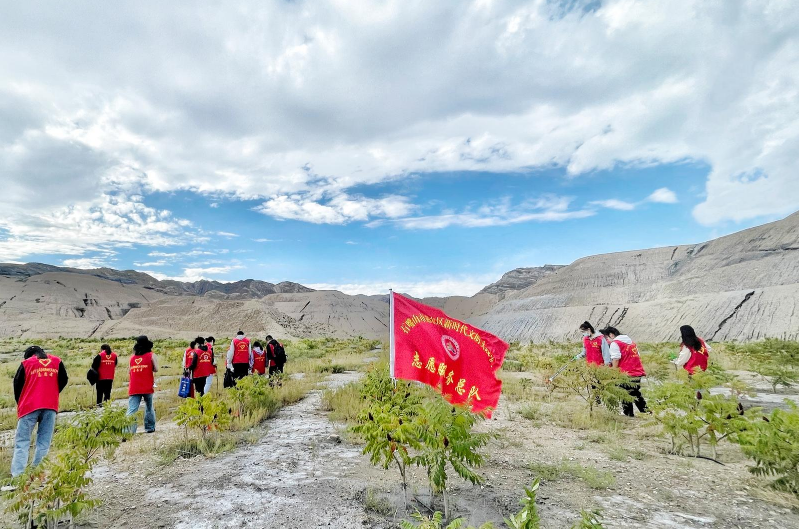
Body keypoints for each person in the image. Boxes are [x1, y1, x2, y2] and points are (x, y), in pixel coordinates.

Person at [11, 346, 69, 477]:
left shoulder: (27, 363)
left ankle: (18, 477)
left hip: (29, 407)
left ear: (30, 356)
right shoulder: (57, 362)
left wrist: (20, 403)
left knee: (22, 442)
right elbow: (64, 380)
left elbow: (17, 384)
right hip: (50, 406)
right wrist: (53, 392)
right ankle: (37, 475)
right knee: (43, 442)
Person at [600, 327, 648, 417]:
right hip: (637, 371)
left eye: (607, 338)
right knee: (633, 392)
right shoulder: (632, 343)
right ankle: (637, 412)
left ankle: (635, 412)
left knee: (626, 392)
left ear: (611, 335)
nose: (607, 341)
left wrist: (614, 373)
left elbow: (616, 359)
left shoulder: (615, 343)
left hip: (626, 372)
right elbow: (638, 355)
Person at [126, 335, 158, 434]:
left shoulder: (132, 358)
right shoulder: (151, 355)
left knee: (132, 409)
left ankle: (128, 432)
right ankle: (149, 427)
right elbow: (156, 369)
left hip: (134, 386)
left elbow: (129, 371)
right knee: (149, 406)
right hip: (147, 385)